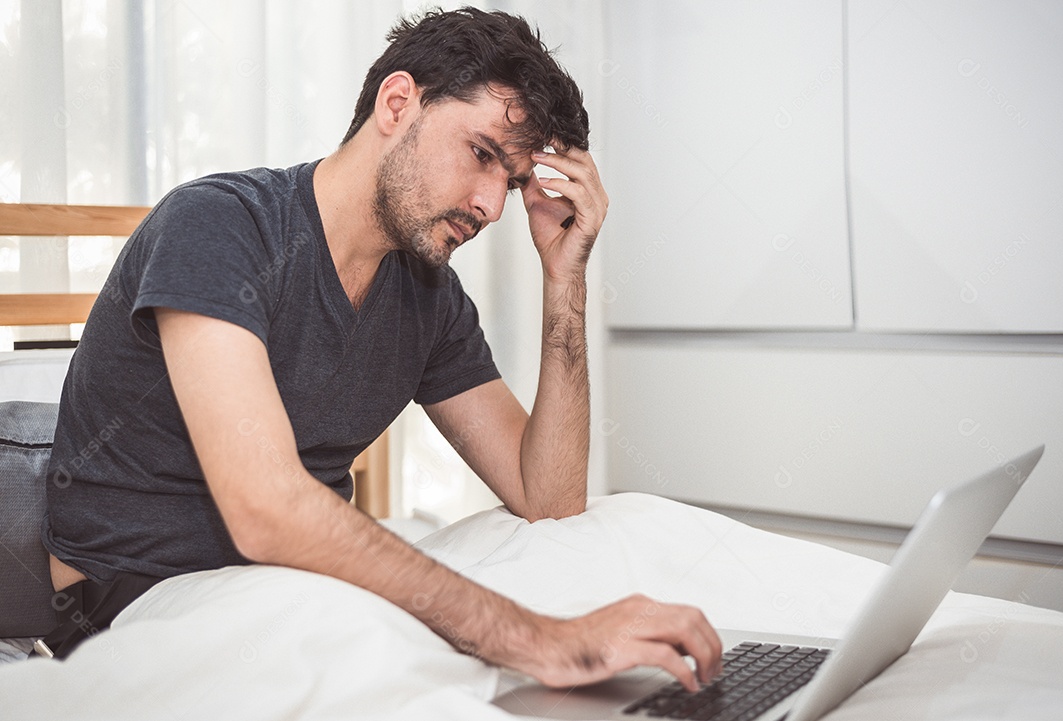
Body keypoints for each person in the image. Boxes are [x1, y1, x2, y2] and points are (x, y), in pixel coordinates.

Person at [39, 7, 722, 689]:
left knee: (607, 531)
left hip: (293, 588)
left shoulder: (430, 295)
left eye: (512, 182)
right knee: (482, 643)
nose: (492, 206)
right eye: (482, 154)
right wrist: (536, 637)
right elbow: (266, 509)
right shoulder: (219, 225)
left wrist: (564, 278)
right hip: (138, 598)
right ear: (398, 103)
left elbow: (548, 499)